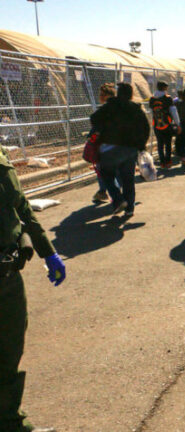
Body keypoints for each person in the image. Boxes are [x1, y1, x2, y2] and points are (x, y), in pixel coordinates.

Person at [0, 146, 65, 432]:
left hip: (7, 276)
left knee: (9, 351)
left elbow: (21, 206)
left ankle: (11, 423)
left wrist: (46, 250)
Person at [90, 83, 150, 217]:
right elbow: (145, 127)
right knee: (128, 179)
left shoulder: (109, 106)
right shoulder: (136, 108)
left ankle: (118, 199)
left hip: (110, 148)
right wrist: (141, 145)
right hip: (130, 149)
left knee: (106, 175)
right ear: (131, 94)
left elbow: (93, 119)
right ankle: (130, 209)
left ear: (118, 93)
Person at [92, 83, 117, 203]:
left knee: (103, 170)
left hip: (107, 145)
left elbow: (96, 125)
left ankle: (106, 193)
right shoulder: (120, 108)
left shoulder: (104, 110)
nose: (99, 97)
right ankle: (104, 192)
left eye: (101, 95)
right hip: (120, 144)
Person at [149, 81, 181, 169]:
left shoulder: (152, 99)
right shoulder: (168, 98)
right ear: (164, 88)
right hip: (167, 124)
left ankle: (162, 162)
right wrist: (178, 124)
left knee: (160, 144)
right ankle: (168, 161)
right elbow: (173, 112)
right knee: (167, 143)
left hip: (156, 124)